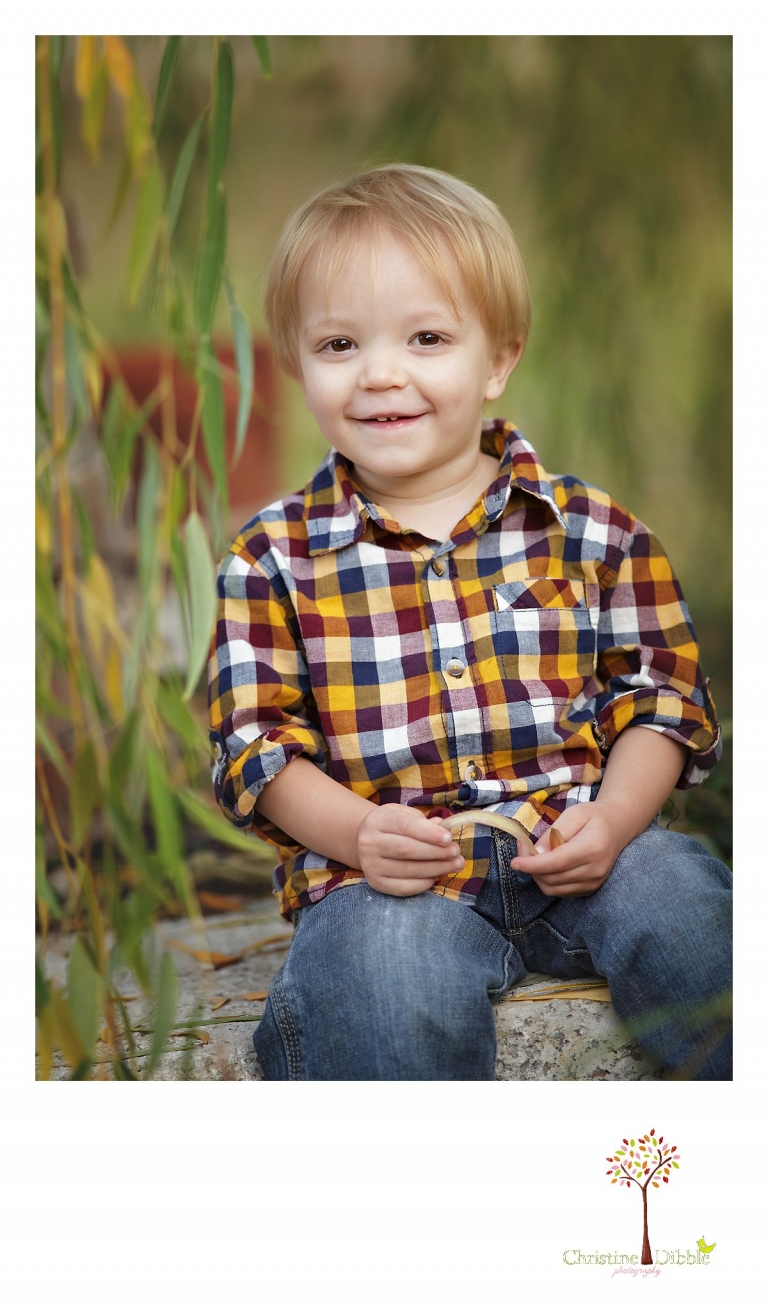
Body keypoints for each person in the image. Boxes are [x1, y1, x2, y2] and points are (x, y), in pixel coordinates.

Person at [208, 164, 732, 1081]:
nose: (381, 374)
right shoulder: (272, 559)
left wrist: (613, 820)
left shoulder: (591, 531)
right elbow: (257, 747)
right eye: (338, 344)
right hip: (388, 879)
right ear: (296, 364)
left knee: (682, 905)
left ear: (497, 358)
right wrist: (355, 835)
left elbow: (659, 699)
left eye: (426, 337)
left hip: (580, 840)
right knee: (378, 977)